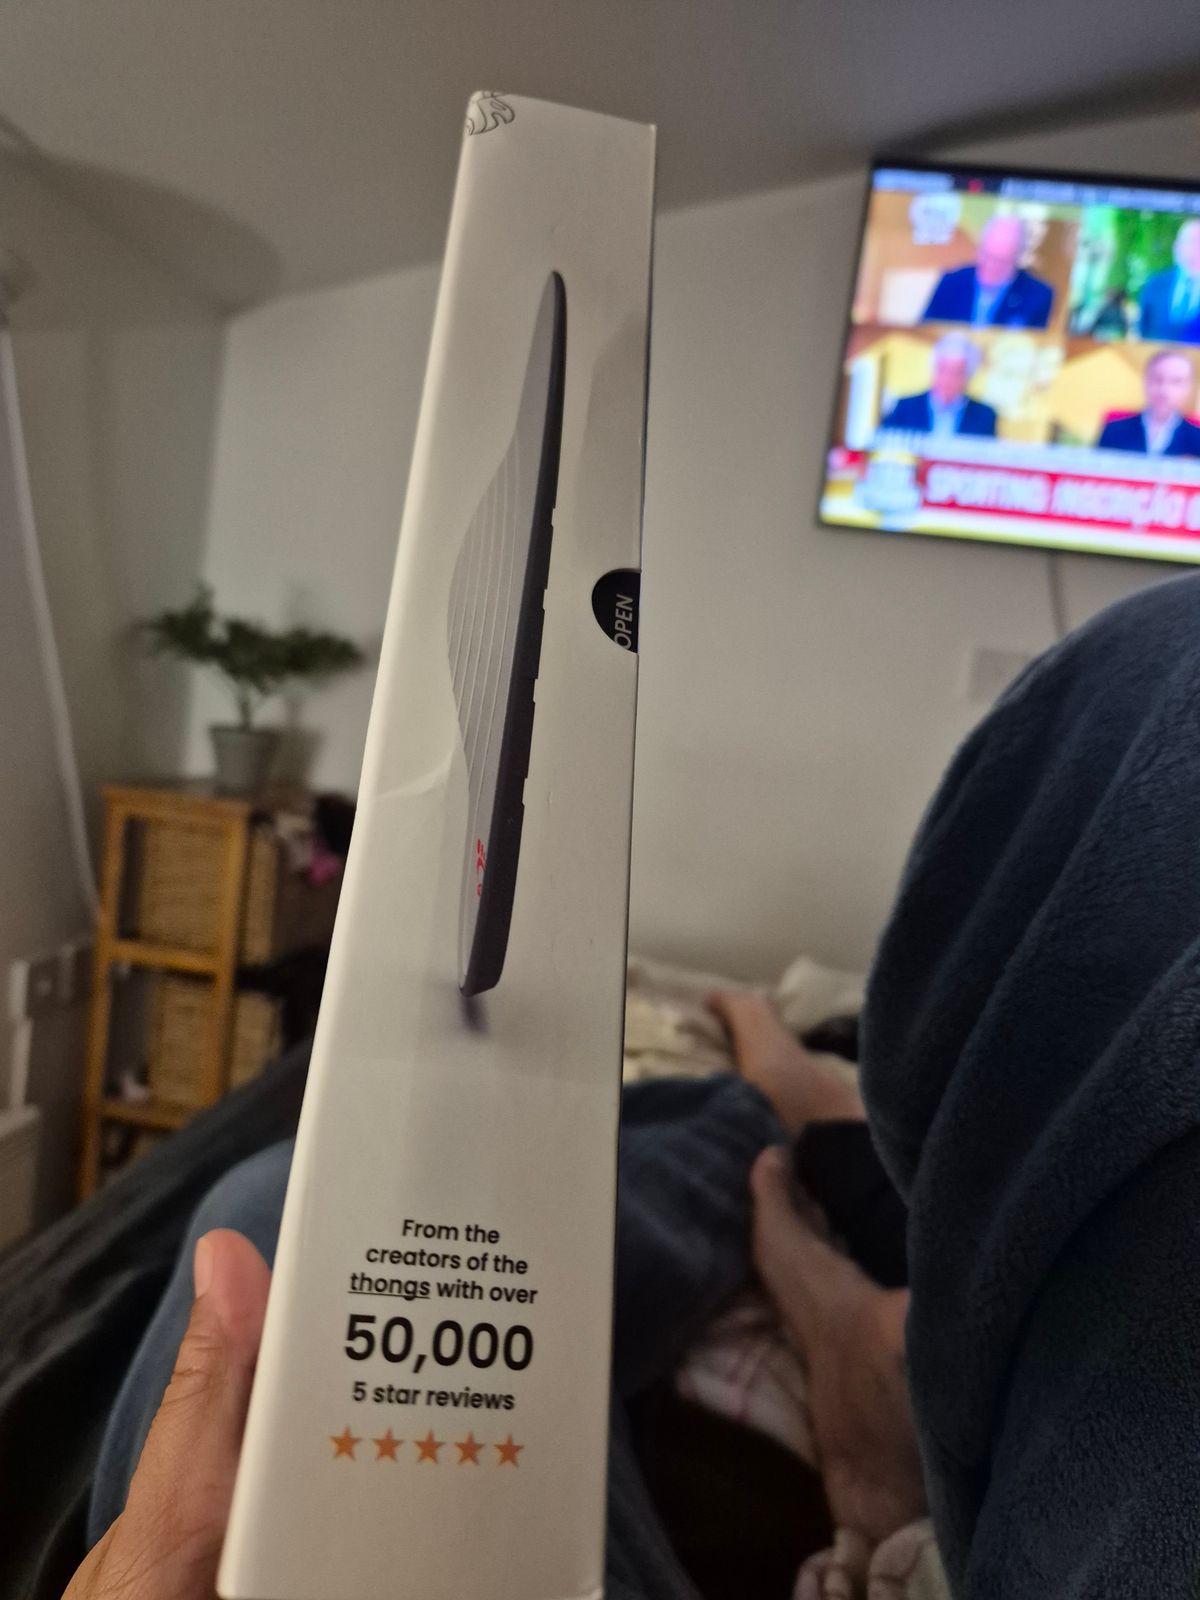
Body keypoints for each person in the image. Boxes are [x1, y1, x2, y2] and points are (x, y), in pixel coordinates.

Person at [921, 215, 1054, 329]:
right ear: (979, 249)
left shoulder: (1038, 297)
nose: (991, 267)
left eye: (1001, 262)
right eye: (987, 255)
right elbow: (924, 330)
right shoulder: (950, 282)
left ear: (1017, 259)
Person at [882, 332, 997, 438]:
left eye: (956, 373)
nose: (948, 379)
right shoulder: (905, 407)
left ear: (968, 377)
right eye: (943, 370)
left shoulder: (984, 416)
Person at [1096, 348, 1200, 457]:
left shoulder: (1197, 438)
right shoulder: (1114, 431)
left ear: (1189, 388)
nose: (1164, 390)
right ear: (1146, 381)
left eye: (1176, 382)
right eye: (1157, 379)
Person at [1138, 219, 1200, 343]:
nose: (1194, 248)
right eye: (1189, 241)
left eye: (1197, 242)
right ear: (1177, 246)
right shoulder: (1155, 284)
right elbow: (1143, 330)